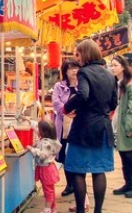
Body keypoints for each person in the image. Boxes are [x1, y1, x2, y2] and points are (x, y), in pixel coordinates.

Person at [64, 40, 117, 213]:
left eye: (78, 55)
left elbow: (83, 94)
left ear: (85, 54)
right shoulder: (109, 74)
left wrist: (68, 107)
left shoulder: (84, 72)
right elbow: (114, 101)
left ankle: (80, 210)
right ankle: (98, 210)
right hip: (103, 126)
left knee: (77, 169)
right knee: (98, 170)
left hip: (84, 127)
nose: (77, 59)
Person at [109, 55, 132, 198]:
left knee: (129, 156)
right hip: (118, 123)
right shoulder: (118, 83)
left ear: (123, 67)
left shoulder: (130, 84)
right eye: (112, 65)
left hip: (127, 126)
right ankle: (128, 183)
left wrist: (129, 127)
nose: (113, 68)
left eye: (115, 65)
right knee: (123, 155)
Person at [52, 58, 81, 197]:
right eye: (71, 68)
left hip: (78, 123)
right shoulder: (59, 86)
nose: (74, 71)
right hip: (63, 124)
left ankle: (78, 184)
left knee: (76, 153)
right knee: (64, 154)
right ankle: (70, 184)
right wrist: (65, 111)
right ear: (65, 71)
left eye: (76, 68)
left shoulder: (82, 85)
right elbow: (55, 102)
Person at [28, 120, 62, 213]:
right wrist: (28, 121)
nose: (37, 130)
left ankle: (47, 209)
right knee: (50, 189)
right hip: (48, 168)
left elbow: (43, 155)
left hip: (46, 169)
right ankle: (52, 209)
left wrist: (32, 150)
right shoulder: (50, 140)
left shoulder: (46, 143)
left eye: (38, 129)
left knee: (48, 190)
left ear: (43, 132)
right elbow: (35, 127)